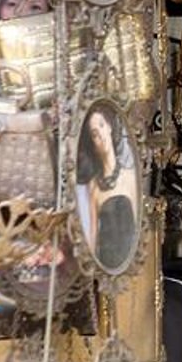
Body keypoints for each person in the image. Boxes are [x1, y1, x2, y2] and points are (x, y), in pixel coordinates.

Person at [76, 107, 137, 269]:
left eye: (102, 126)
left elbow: (139, 226)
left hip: (130, 264)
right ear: (93, 144)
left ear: (109, 127)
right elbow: (93, 235)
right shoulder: (93, 186)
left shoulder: (129, 176)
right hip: (106, 263)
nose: (101, 136)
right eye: (95, 134)